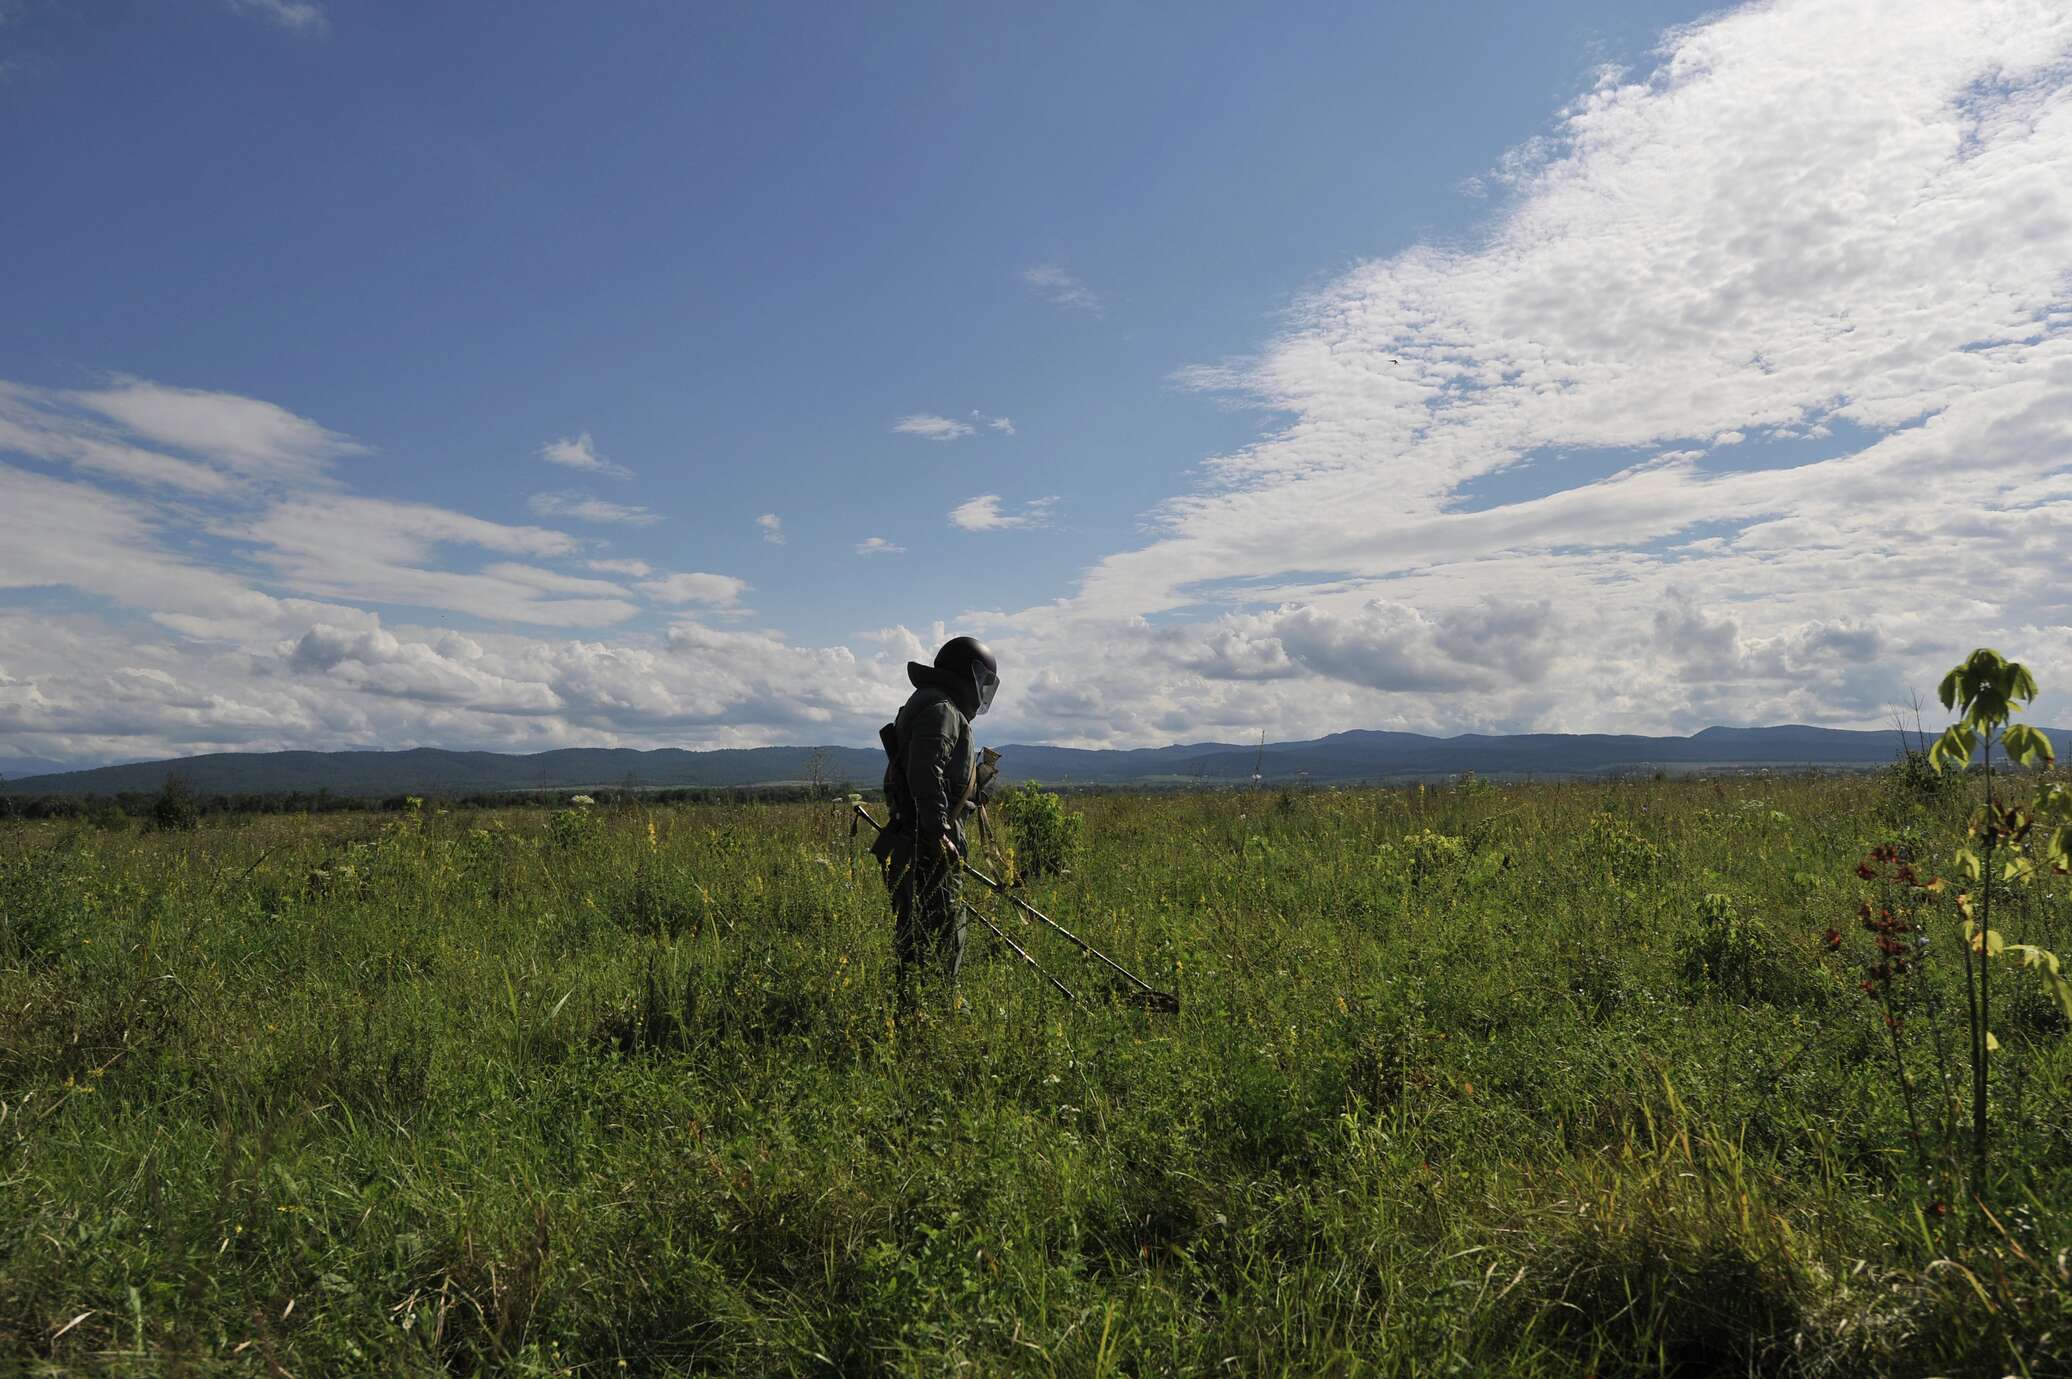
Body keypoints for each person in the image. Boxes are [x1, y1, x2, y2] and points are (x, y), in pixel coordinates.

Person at [872, 635, 999, 1009]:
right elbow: (926, 769)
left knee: (917, 932)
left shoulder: (933, 703)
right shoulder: (942, 708)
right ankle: (940, 1011)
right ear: (968, 675)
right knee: (942, 929)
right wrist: (938, 829)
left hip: (918, 836)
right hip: (927, 841)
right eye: (981, 682)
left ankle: (914, 1011)